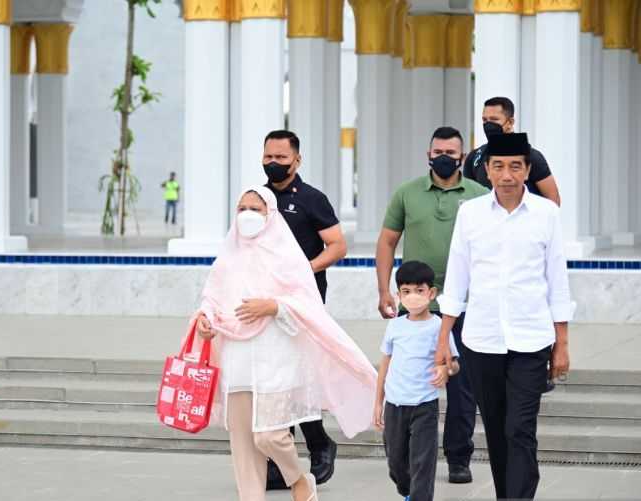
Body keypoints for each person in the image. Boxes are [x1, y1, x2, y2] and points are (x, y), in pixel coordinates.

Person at [193, 185, 377, 501]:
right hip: (237, 360)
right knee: (242, 441)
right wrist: (205, 320)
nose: (247, 215)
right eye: (241, 209)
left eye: (256, 208)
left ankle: (299, 479)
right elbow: (211, 298)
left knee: (269, 436)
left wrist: (274, 306)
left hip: (276, 357)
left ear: (271, 214)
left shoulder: (288, 256)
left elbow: (307, 305)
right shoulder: (228, 257)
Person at [433, 133, 572, 500]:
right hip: (481, 339)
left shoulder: (547, 215)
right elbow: (457, 277)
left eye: (515, 166)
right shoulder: (471, 213)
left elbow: (557, 280)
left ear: (527, 170)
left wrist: (562, 345)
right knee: (495, 429)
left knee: (519, 428)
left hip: (532, 339)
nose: (507, 175)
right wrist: (443, 339)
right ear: (488, 172)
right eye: (499, 166)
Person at [376, 126, 488, 484]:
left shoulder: (478, 194)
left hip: (464, 304)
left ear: (462, 155)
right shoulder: (407, 193)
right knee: (412, 376)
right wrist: (384, 290)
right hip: (417, 305)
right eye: (437, 150)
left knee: (460, 383)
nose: (444, 156)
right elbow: (387, 241)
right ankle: (407, 453)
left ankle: (458, 456)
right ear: (428, 154)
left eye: (451, 152)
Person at [262, 130, 348, 488]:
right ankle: (278, 458)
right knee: (270, 378)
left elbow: (338, 246)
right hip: (262, 305)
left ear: (297, 160)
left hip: (303, 301)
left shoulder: (312, 199)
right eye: (268, 157)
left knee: (297, 374)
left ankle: (318, 442)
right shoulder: (258, 198)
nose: (274, 164)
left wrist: (305, 269)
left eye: (281, 158)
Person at [373, 260, 459, 501]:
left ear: (431, 293)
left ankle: (420, 497)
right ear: (398, 295)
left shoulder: (439, 327)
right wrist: (378, 402)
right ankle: (408, 492)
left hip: (424, 405)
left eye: (419, 291)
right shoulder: (395, 326)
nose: (413, 297)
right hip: (395, 405)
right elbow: (385, 365)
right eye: (406, 291)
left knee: (423, 462)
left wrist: (445, 369)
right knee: (397, 463)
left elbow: (454, 363)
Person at [464, 97, 561, 205]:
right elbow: (468, 196)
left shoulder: (530, 155)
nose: (488, 125)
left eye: (494, 119)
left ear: (510, 122)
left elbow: (553, 200)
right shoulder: (475, 157)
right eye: (485, 120)